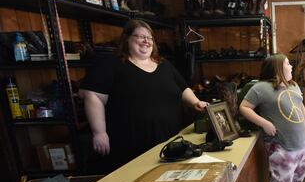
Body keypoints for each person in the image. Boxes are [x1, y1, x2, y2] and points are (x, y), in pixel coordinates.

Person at [79, 19, 208, 171]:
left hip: (169, 141)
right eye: (140, 37)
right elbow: (92, 96)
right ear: (127, 39)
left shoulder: (164, 65)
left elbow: (183, 89)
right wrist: (99, 133)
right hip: (130, 146)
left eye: (149, 37)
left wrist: (195, 102)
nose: (146, 41)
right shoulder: (112, 64)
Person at [239, 53, 305, 182]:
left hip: (301, 145)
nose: (291, 67)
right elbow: (244, 107)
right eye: (288, 64)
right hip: (281, 146)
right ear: (278, 67)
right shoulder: (261, 88)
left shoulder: (293, 85)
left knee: (296, 181)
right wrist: (264, 123)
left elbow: (301, 106)